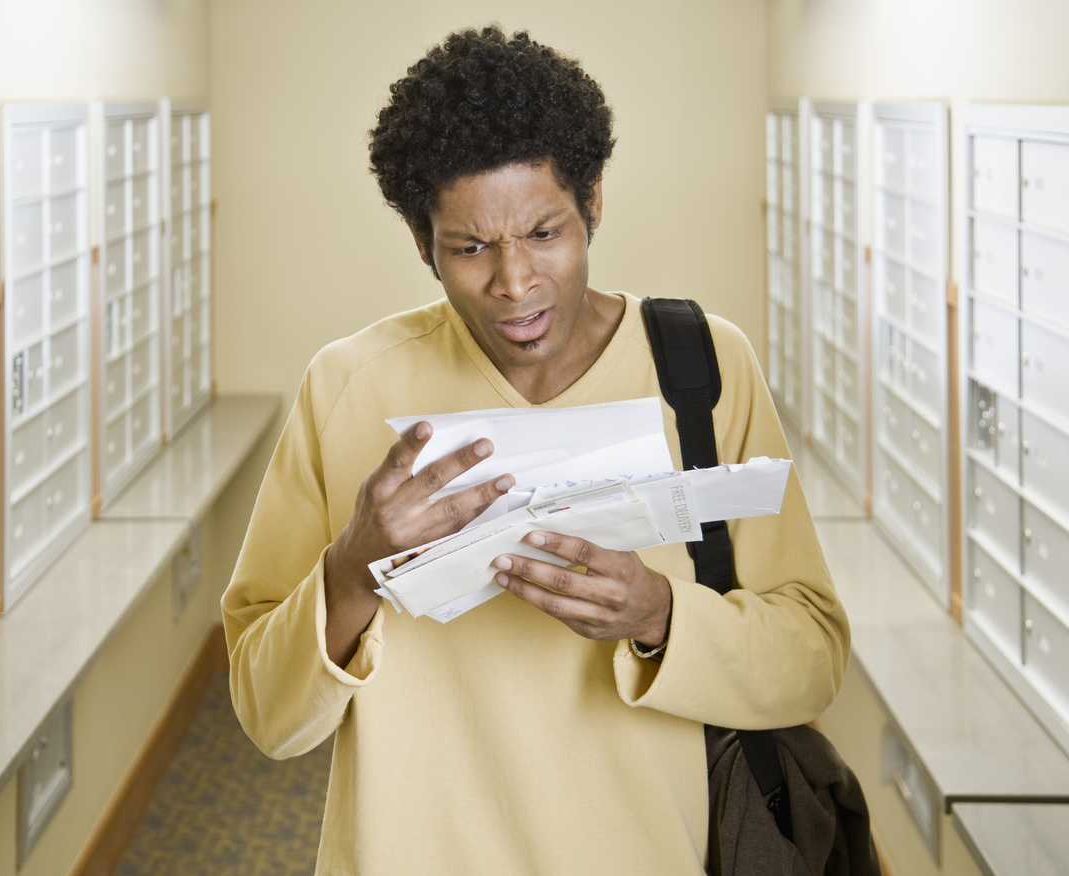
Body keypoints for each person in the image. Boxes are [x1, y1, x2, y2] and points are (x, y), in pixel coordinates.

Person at [221, 25, 849, 876]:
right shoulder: (347, 385)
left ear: (593, 203)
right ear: (423, 246)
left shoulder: (703, 368)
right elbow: (269, 714)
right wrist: (352, 565)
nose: (513, 283)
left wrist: (660, 617)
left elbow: (810, 662)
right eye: (470, 248)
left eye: (544, 234)